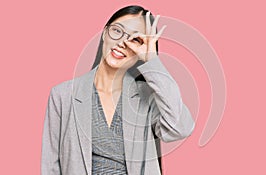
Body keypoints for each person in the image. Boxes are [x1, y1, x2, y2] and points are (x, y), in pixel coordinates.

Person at [41, 5, 195, 175]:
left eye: (135, 39)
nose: (122, 43)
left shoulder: (148, 97)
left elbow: (180, 128)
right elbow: (51, 166)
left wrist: (152, 60)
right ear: (104, 33)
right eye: (117, 31)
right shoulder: (62, 95)